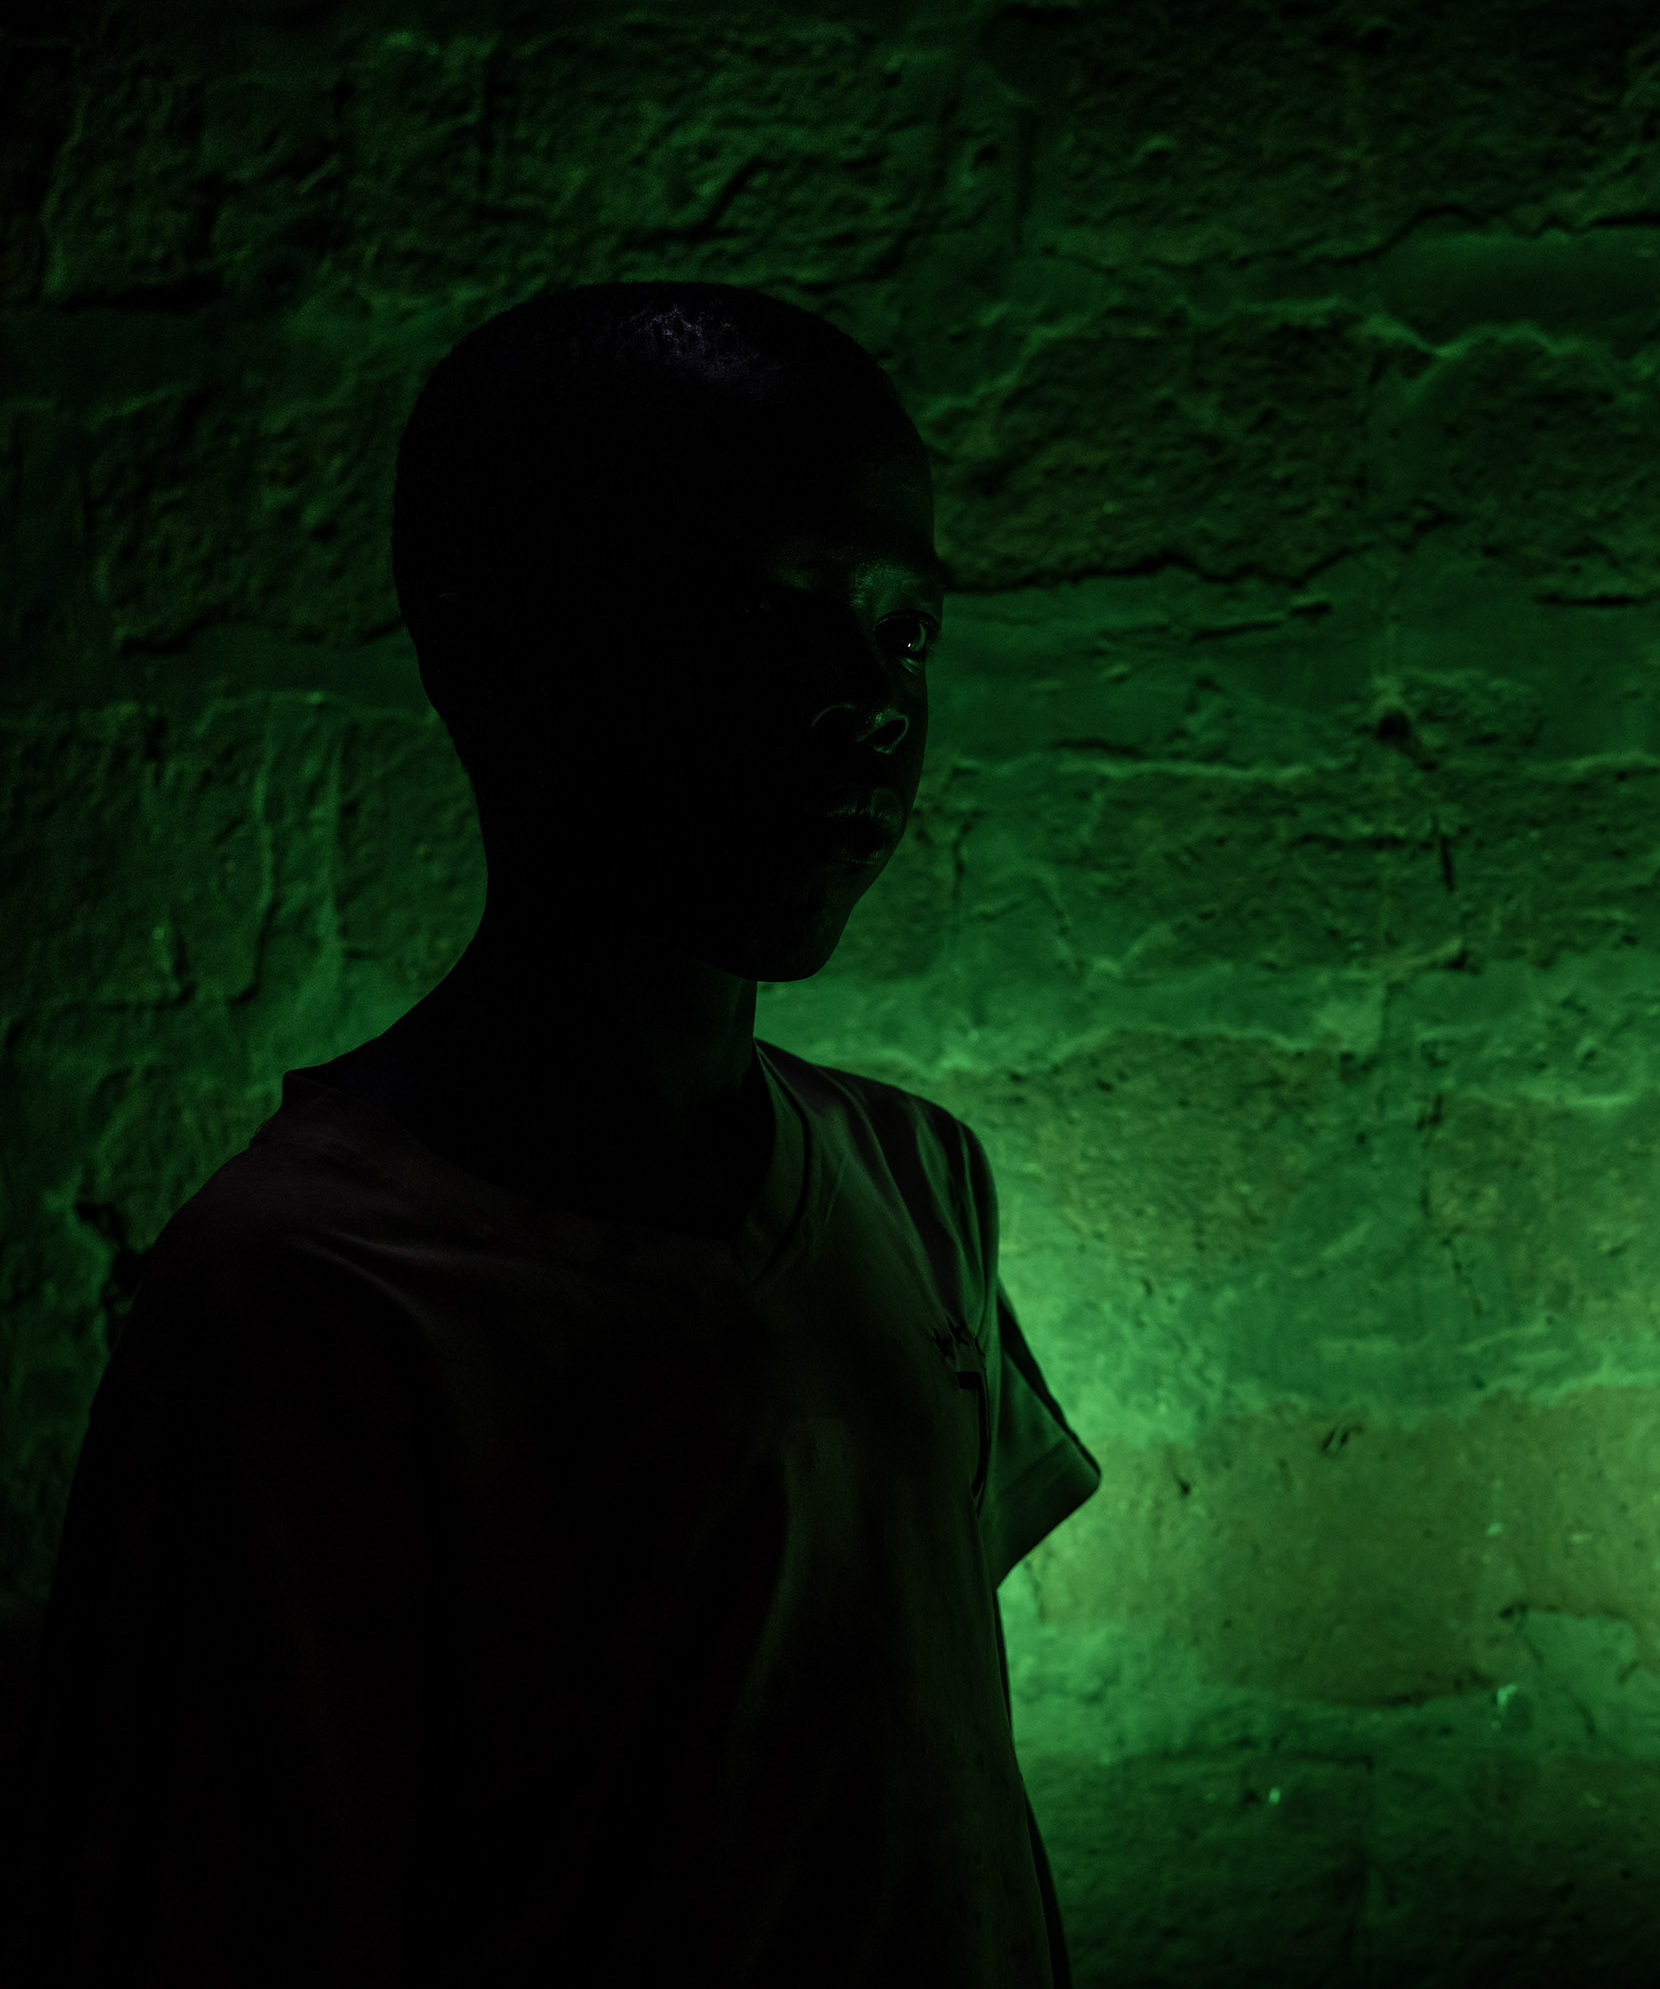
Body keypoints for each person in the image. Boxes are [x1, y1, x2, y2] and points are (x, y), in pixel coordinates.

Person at [9, 285, 1098, 1984]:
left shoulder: (916, 1184)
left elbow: (907, 1759)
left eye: (904, 632)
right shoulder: (308, 1300)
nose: (867, 701)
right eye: (762, 618)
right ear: (501, 654)